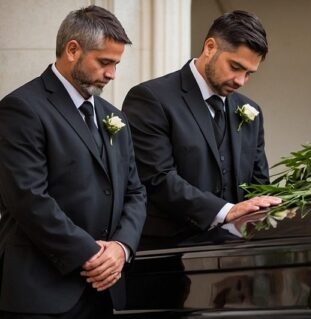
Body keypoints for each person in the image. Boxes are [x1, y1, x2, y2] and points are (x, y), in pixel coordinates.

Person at [0, 5, 146, 318]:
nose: (112, 74)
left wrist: (121, 248)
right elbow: (27, 198)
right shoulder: (21, 108)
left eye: (116, 64)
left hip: (103, 292)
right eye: (104, 62)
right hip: (41, 292)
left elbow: (135, 192)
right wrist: (91, 255)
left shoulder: (114, 117)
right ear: (72, 49)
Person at [122, 10, 280, 245]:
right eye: (235, 66)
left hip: (235, 259)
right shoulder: (150, 98)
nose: (240, 81)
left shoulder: (250, 111)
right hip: (166, 256)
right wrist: (225, 211)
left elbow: (258, 185)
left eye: (249, 73)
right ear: (210, 47)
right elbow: (157, 179)